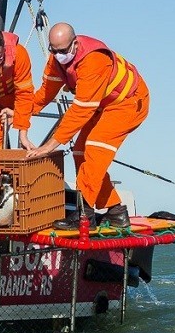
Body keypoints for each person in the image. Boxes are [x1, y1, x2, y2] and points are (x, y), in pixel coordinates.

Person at [25, 22, 150, 228]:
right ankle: (116, 211)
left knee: (94, 149)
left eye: (62, 51)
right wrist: (20, 111)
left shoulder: (94, 61)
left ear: (74, 44)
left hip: (128, 104)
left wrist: (48, 147)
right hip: (102, 105)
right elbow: (45, 94)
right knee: (80, 152)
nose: (57, 55)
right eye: (53, 50)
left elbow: (81, 111)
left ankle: (85, 214)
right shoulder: (57, 59)